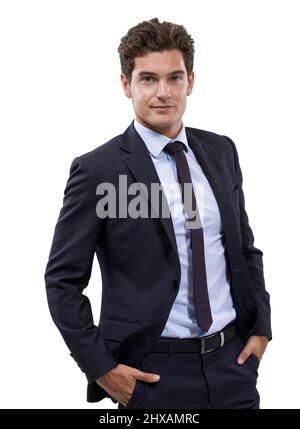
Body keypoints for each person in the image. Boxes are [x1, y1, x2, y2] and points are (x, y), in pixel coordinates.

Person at [44, 18, 272, 409]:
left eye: (174, 78)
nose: (163, 92)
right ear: (126, 84)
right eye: (148, 79)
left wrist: (261, 328)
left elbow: (243, 249)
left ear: (191, 82)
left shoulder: (221, 152)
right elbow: (62, 282)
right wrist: (101, 370)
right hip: (150, 376)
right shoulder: (98, 170)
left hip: (232, 366)